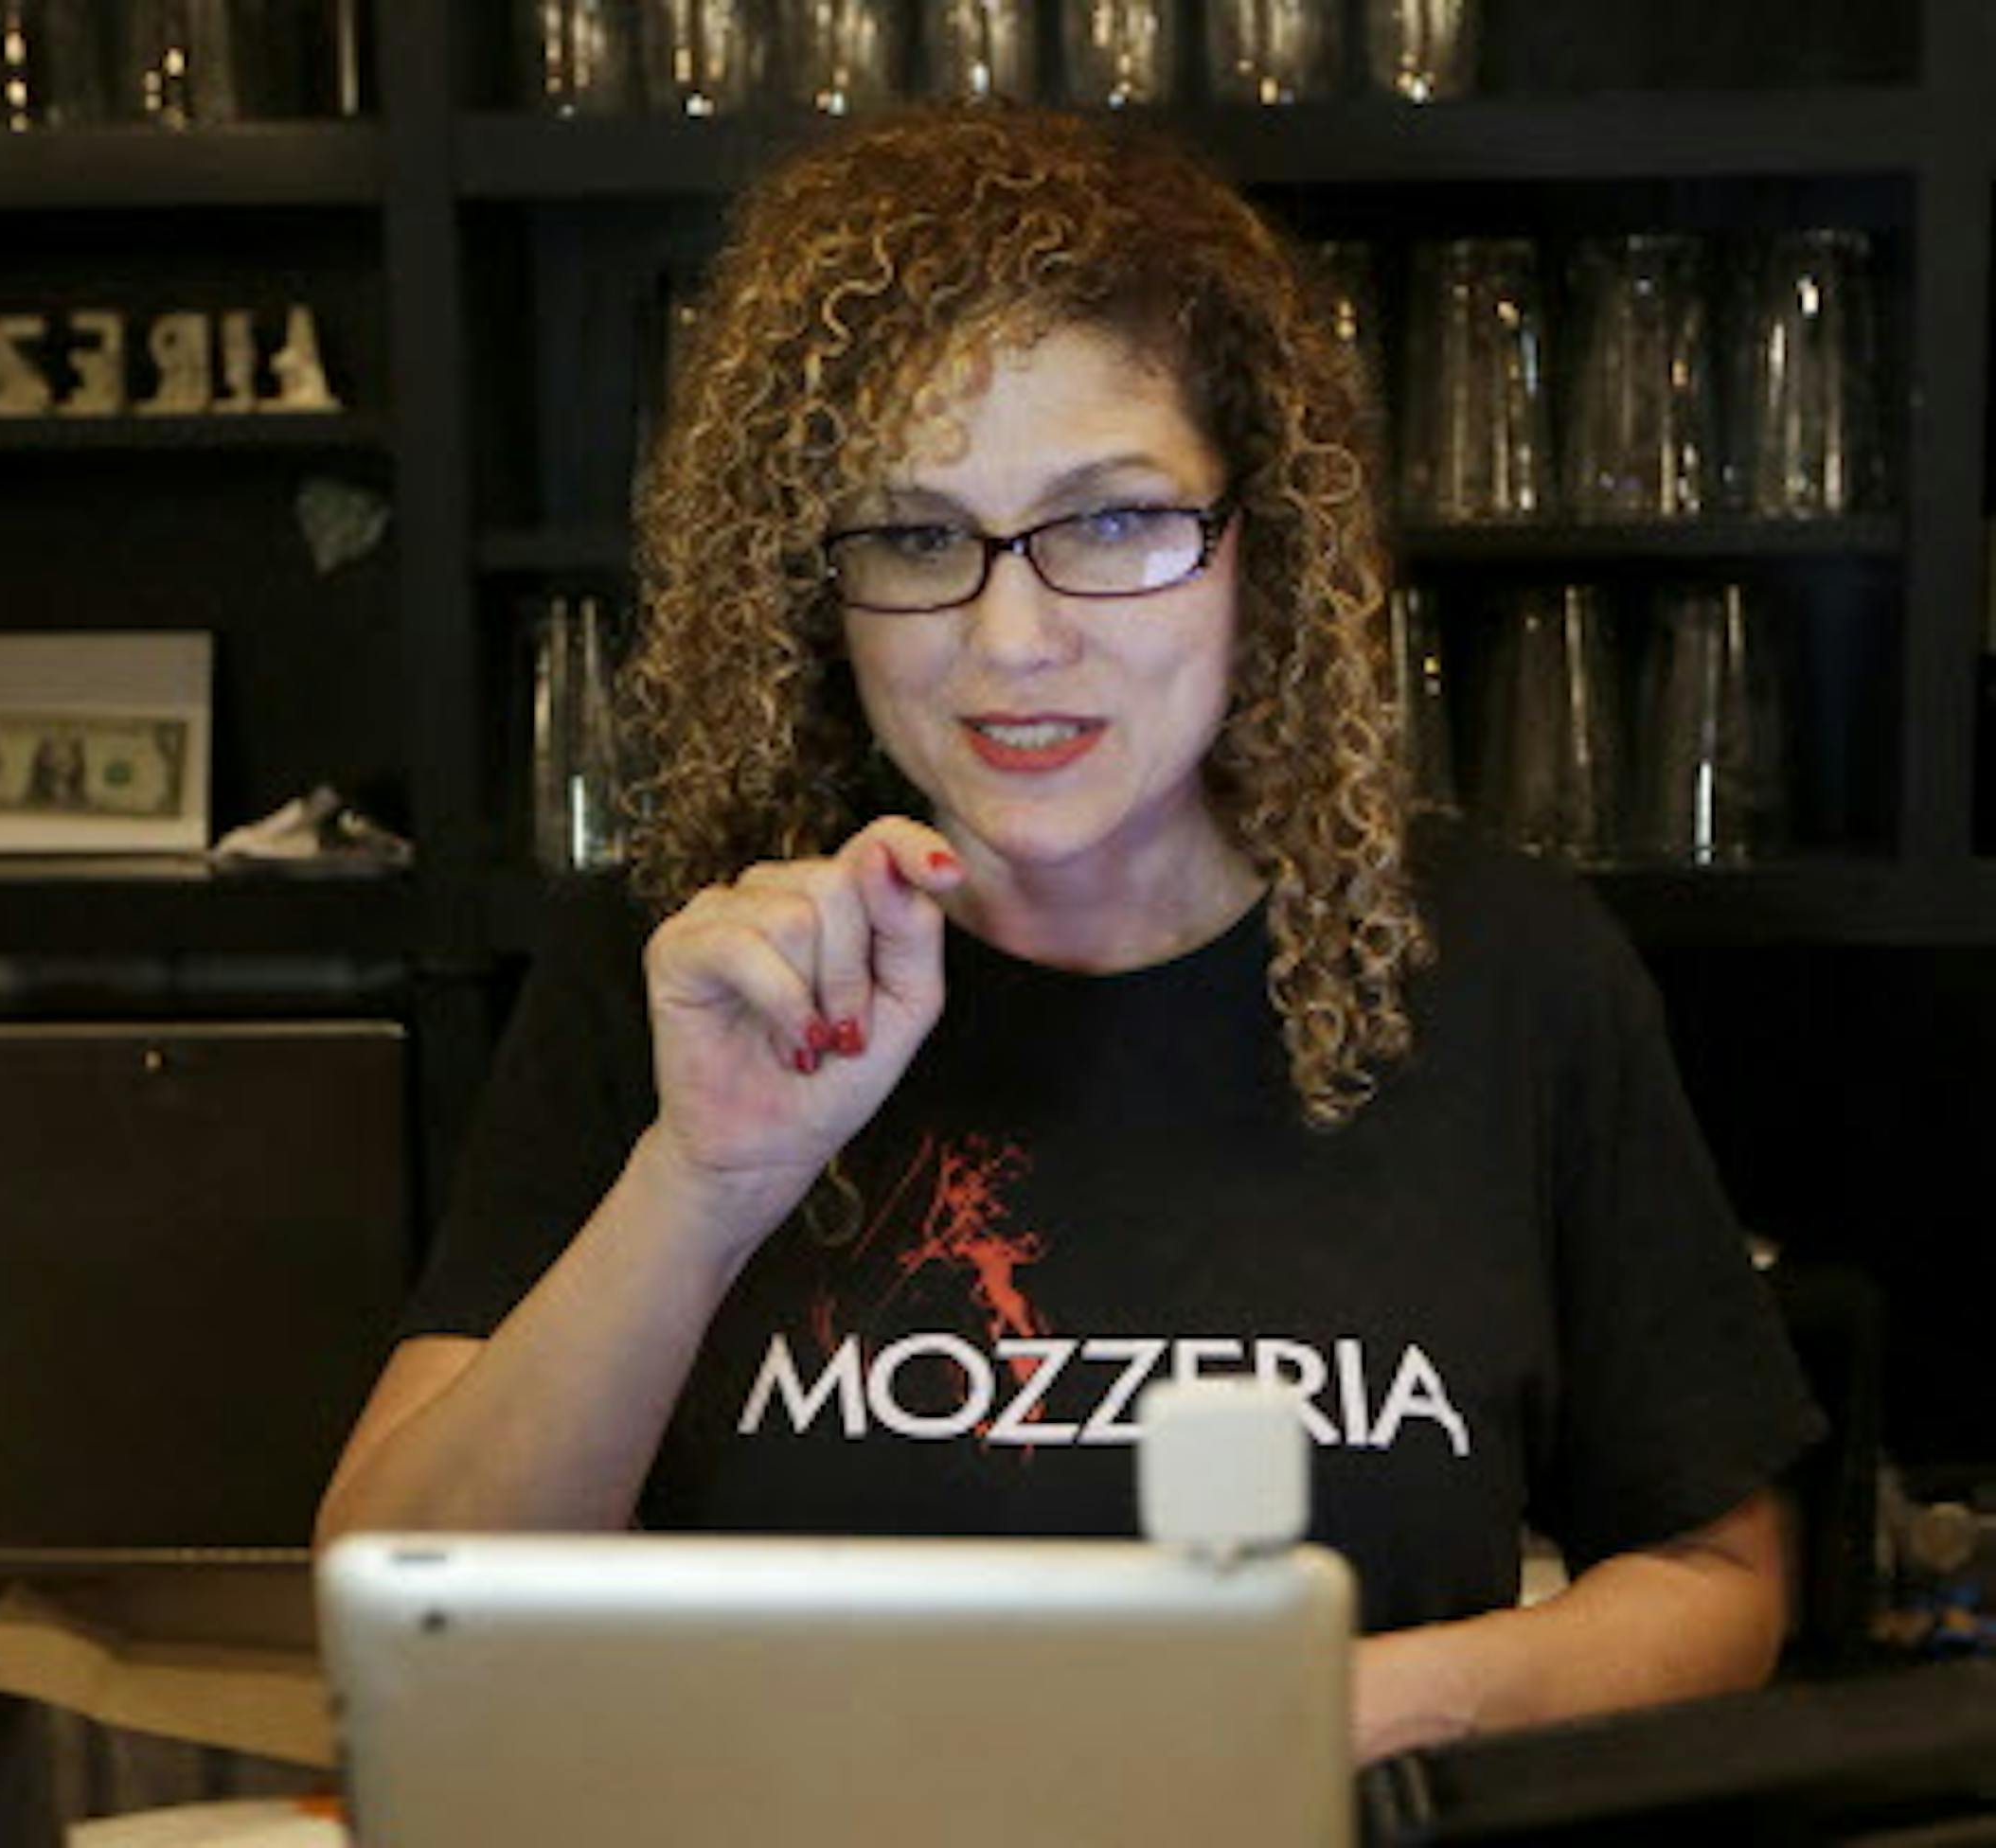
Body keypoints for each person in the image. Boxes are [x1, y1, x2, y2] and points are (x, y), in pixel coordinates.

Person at [315, 101, 1822, 1763]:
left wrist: (1327, 1710)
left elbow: (1714, 1576)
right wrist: (706, 1186)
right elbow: (405, 1617)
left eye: (1110, 520)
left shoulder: (1502, 965)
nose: (1012, 639)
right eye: (914, 534)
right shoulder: (691, 970)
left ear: (1264, 544)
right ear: (814, 587)